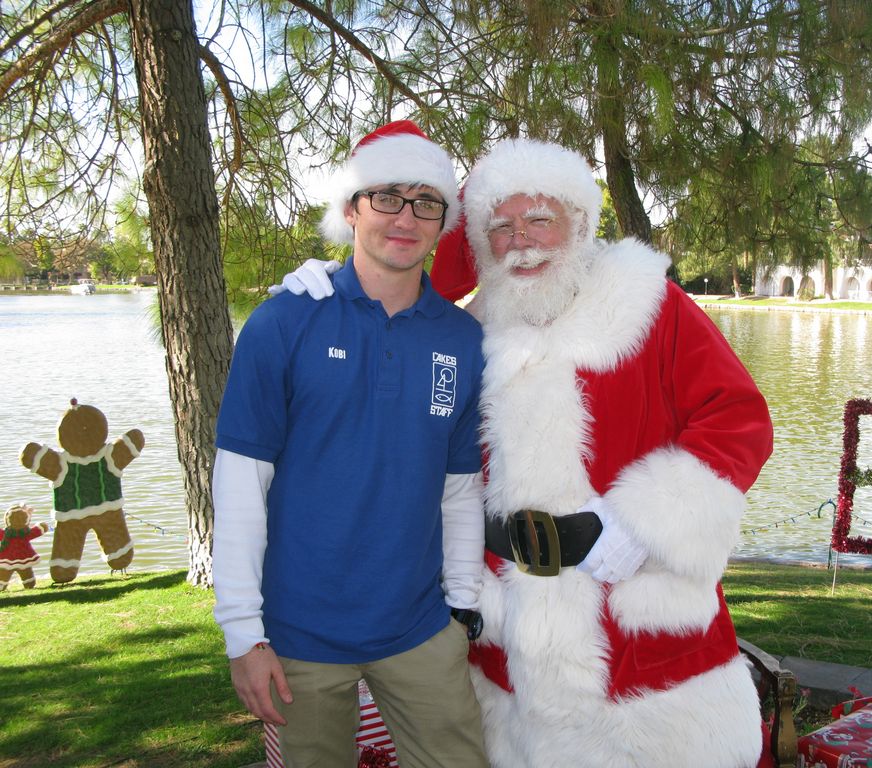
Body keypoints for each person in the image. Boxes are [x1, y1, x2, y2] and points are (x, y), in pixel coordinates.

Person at [284, 138, 775, 767]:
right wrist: (329, 293)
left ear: (580, 222)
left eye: (540, 218)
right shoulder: (463, 330)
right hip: (508, 643)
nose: (522, 240)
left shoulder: (652, 307)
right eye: (502, 227)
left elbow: (738, 420)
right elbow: (389, 403)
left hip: (634, 636)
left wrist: (645, 522)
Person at [212, 120, 489, 768]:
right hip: (298, 641)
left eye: (426, 202)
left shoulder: (461, 340)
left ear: (442, 222)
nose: (406, 216)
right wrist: (242, 635)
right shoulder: (284, 321)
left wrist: (464, 608)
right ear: (350, 208)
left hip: (421, 632)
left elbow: (459, 489)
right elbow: (239, 486)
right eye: (387, 196)